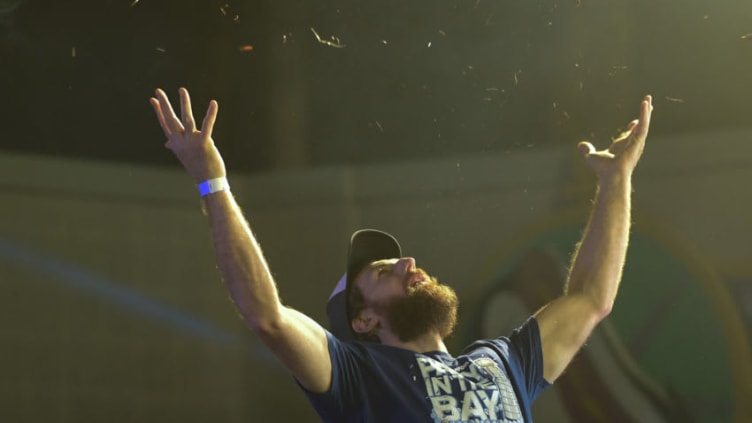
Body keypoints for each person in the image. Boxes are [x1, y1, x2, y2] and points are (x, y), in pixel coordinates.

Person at [150, 87, 653, 423]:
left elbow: (591, 298)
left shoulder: (502, 361)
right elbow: (267, 316)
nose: (409, 263)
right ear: (365, 319)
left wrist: (616, 182)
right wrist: (212, 181)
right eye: (385, 271)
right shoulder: (357, 377)